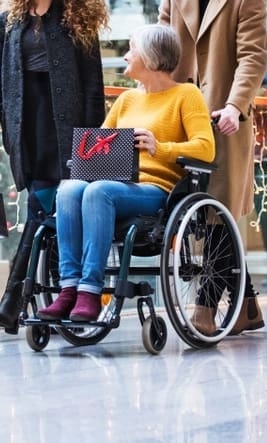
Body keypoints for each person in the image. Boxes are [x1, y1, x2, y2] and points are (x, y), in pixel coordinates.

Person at [0, 0, 110, 334]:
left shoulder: (75, 16)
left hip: (68, 132)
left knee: (46, 213)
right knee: (44, 212)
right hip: (27, 130)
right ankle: (41, 297)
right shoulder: (9, 21)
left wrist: (90, 141)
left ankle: (20, 300)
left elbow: (93, 86)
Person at [37, 24, 215, 321]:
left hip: (157, 190)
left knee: (97, 191)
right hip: (116, 184)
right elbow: (101, 148)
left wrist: (161, 147)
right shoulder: (127, 99)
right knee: (69, 189)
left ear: (150, 56)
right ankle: (69, 289)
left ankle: (90, 291)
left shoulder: (186, 94)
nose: (126, 57)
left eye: (131, 49)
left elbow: (206, 148)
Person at [158, 0, 267, 335]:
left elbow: (252, 58)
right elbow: (163, 50)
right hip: (185, 118)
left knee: (220, 213)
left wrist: (235, 106)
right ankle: (247, 306)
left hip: (226, 122)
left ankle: (205, 309)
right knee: (197, 213)